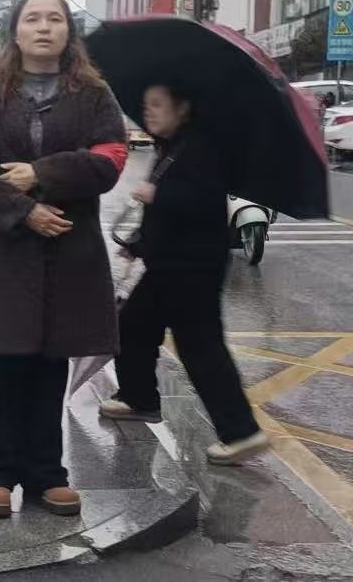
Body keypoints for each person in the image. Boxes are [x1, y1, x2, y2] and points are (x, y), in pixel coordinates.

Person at [0, 0, 128, 519]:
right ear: (16, 30)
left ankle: (46, 474)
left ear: (69, 32)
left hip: (67, 250)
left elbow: (110, 161)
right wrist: (23, 210)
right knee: (0, 364)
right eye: (32, 18)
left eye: (54, 18)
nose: (44, 27)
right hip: (3, 251)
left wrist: (41, 173)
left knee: (50, 365)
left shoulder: (94, 95)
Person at [99, 84, 268, 466]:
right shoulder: (173, 146)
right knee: (134, 325)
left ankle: (241, 432)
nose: (149, 112)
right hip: (168, 265)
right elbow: (168, 218)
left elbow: (204, 202)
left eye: (158, 105)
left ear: (183, 108)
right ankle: (139, 397)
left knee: (201, 348)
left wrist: (157, 196)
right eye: (147, 105)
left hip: (193, 269)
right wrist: (139, 244)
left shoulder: (203, 147)